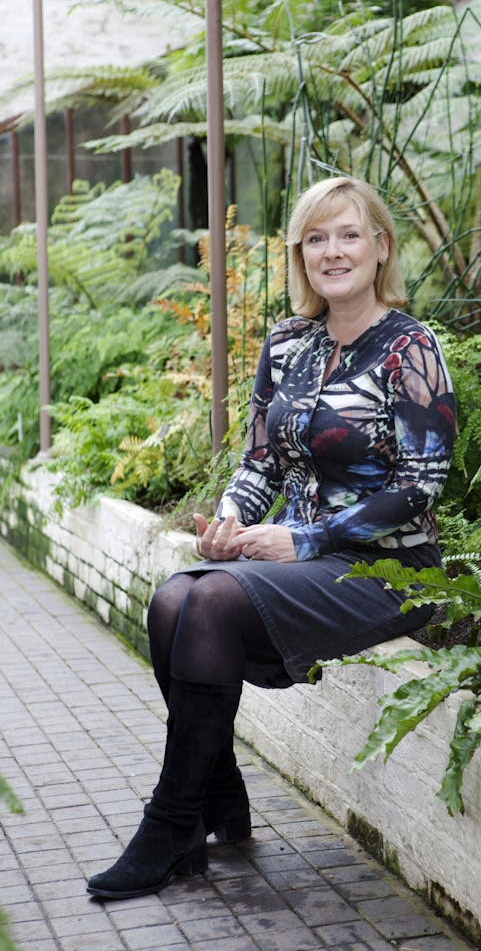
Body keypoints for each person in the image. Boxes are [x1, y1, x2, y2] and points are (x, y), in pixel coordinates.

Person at [86, 175, 456, 900]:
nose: (333, 250)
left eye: (348, 234)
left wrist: (304, 541)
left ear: (381, 247)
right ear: (300, 256)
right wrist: (228, 521)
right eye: (315, 238)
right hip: (305, 562)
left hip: (388, 571)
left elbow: (420, 485)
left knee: (210, 606)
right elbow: (260, 461)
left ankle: (172, 822)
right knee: (172, 600)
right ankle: (210, 803)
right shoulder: (288, 343)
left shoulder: (411, 347)